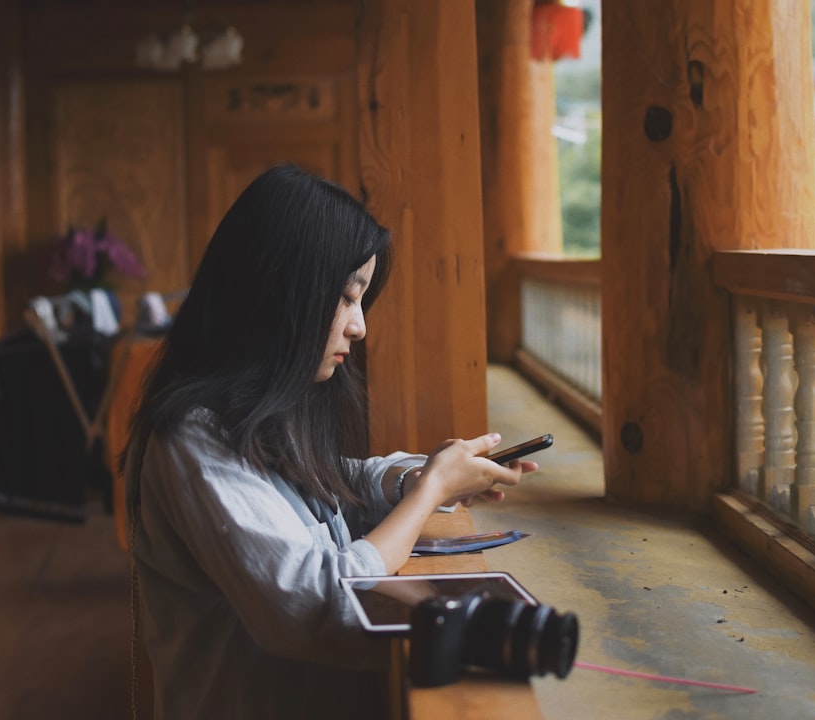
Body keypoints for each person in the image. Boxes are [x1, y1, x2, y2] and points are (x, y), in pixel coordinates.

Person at [123, 164, 535, 719]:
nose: (359, 325)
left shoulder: (258, 409)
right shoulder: (193, 436)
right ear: (278, 291)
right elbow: (316, 605)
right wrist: (426, 494)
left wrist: (416, 477)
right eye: (345, 296)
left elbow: (331, 479)